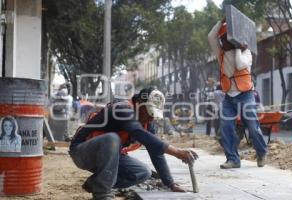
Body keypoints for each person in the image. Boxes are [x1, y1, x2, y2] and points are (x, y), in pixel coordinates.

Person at [69, 87, 198, 200]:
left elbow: (155, 152)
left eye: (153, 114)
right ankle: (102, 194)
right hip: (82, 152)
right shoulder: (122, 109)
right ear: (138, 104)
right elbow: (137, 132)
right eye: (148, 112)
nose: (151, 118)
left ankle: (95, 184)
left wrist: (170, 183)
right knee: (112, 139)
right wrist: (177, 152)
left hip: (108, 157)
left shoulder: (148, 122)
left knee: (142, 172)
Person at [208, 17, 268, 169]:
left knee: (253, 127)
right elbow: (210, 37)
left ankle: (261, 152)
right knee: (226, 127)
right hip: (229, 96)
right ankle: (233, 159)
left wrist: (238, 49)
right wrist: (220, 22)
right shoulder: (220, 53)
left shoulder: (246, 53)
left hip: (246, 94)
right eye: (223, 37)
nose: (224, 40)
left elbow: (240, 64)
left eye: (227, 37)